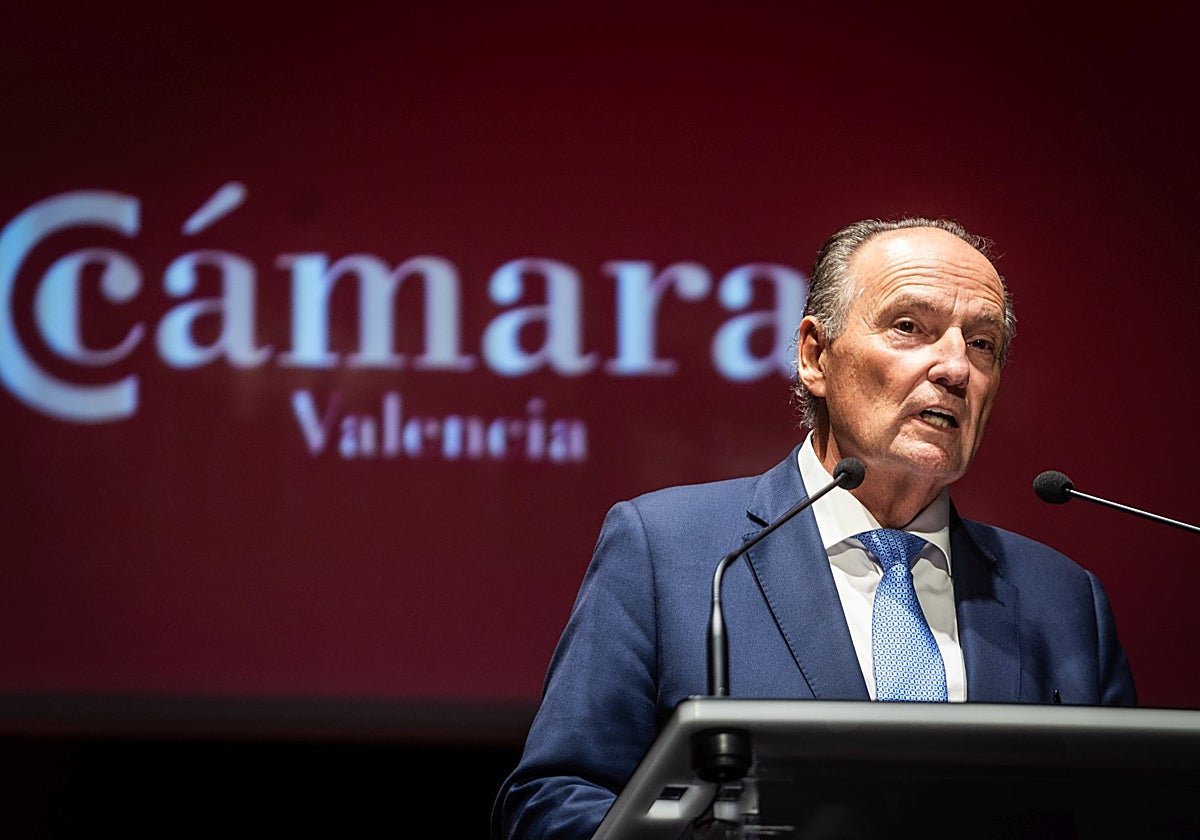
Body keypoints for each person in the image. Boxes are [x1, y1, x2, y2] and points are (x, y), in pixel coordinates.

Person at [490, 217, 1137, 840]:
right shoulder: (672, 552)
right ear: (814, 356)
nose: (955, 368)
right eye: (911, 327)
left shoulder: (1063, 601)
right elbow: (553, 801)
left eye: (982, 343)